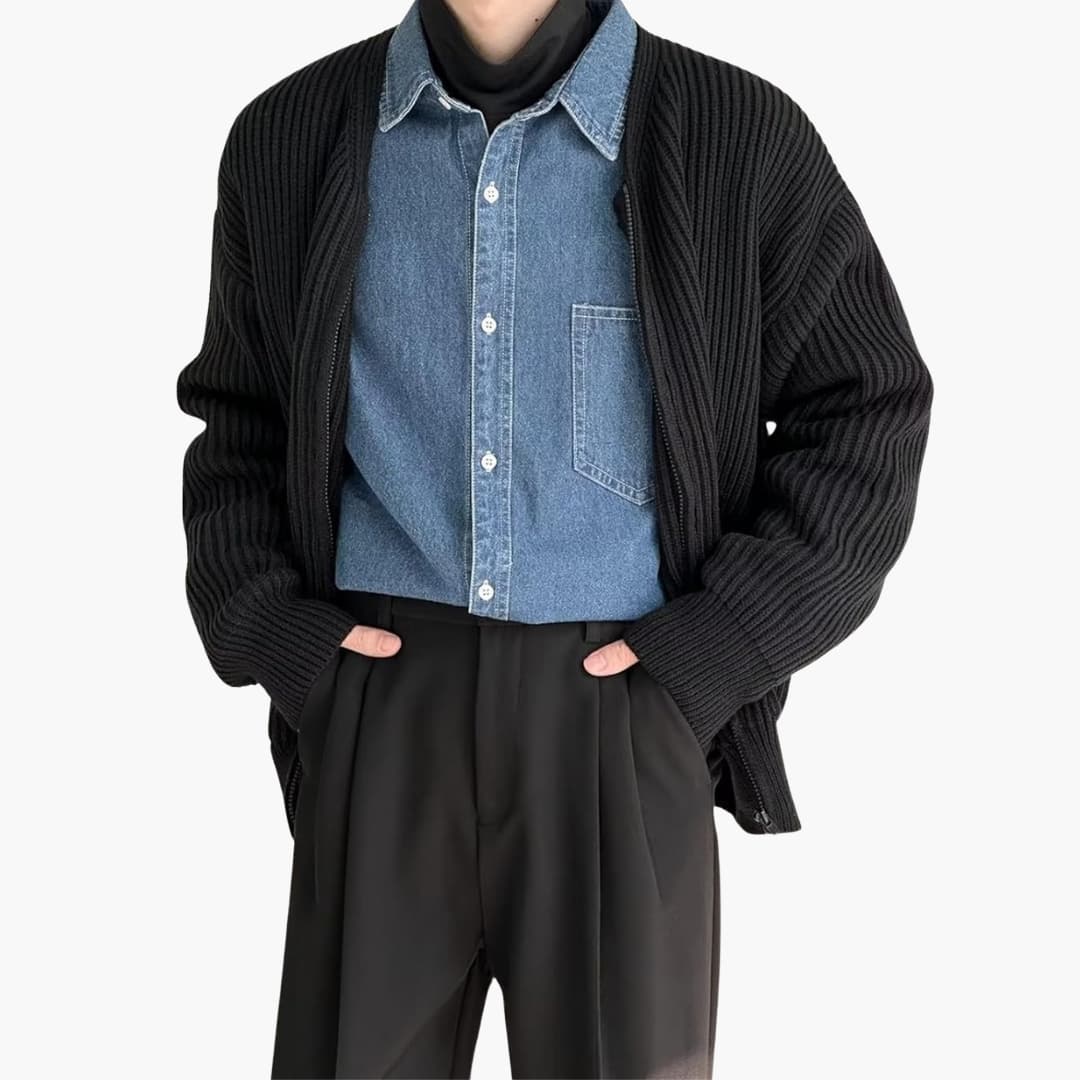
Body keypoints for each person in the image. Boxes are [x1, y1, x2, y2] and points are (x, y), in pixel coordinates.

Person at [176, 0, 933, 1076]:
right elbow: (240, 420)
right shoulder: (290, 135)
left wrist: (717, 652)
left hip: (626, 704)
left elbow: (867, 406)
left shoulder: (741, 134)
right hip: (382, 702)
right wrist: (286, 645)